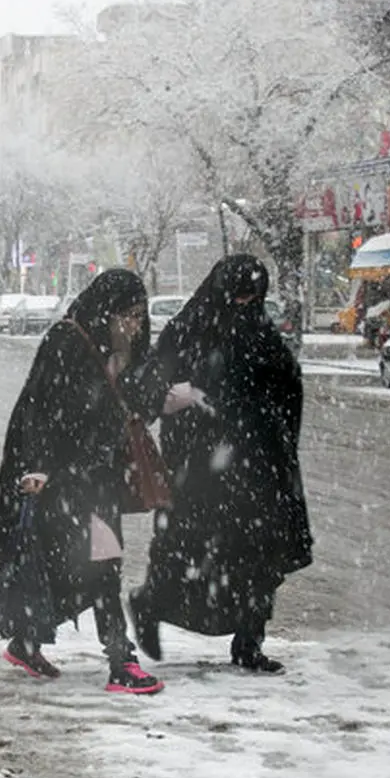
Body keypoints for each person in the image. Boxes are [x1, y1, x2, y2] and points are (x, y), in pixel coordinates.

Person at [0, 269, 184, 694]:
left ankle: (25, 642)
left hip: (97, 479)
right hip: (62, 479)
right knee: (101, 567)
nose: (134, 324)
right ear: (105, 311)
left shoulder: (120, 351)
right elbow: (40, 410)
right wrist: (37, 467)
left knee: (80, 568)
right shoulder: (67, 341)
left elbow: (132, 406)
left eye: (139, 315)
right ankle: (121, 662)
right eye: (126, 315)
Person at [129, 254, 312, 674]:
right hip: (203, 468)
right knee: (188, 548)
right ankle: (151, 604)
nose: (245, 301)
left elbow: (286, 386)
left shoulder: (261, 332)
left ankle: (249, 641)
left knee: (261, 553)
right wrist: (193, 398)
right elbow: (153, 391)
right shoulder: (187, 330)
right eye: (239, 293)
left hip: (262, 464)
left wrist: (278, 436)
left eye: (254, 294)